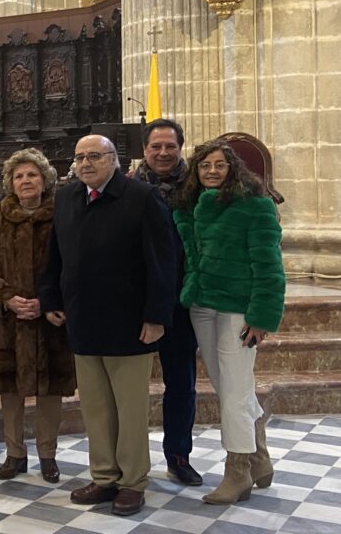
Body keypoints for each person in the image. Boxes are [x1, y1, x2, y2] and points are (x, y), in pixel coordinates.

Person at [38, 134, 176, 517]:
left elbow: (163, 262)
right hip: (82, 319)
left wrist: (157, 316)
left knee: (130, 409)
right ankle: (104, 476)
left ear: (114, 160)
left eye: (94, 156)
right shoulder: (67, 197)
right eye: (80, 157)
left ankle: (132, 482)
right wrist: (50, 299)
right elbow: (56, 256)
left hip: (129, 323)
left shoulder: (142, 197)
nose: (85, 163)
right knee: (96, 407)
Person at [173, 139, 285, 505]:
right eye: (205, 165)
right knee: (227, 386)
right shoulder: (191, 206)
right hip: (202, 305)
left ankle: (237, 471)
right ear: (196, 171)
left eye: (220, 165)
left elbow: (269, 266)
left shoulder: (255, 206)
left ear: (232, 168)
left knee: (235, 390)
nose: (212, 171)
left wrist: (262, 317)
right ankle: (259, 455)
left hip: (238, 308)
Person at [0, 148, 75, 484]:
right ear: (10, 183)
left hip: (50, 321)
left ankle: (48, 455)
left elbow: (73, 262)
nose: (25, 180)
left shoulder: (62, 213)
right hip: (7, 320)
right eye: (19, 176)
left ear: (45, 179)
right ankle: (15, 453)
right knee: (10, 390)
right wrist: (7, 298)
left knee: (50, 391)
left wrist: (47, 302)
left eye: (32, 174)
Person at [132, 118, 201, 486]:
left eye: (170, 146)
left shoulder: (197, 187)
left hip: (181, 300)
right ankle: (129, 460)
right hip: (137, 301)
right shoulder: (127, 188)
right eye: (155, 146)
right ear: (144, 150)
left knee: (181, 382)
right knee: (129, 386)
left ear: (180, 148)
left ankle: (178, 455)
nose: (162, 153)